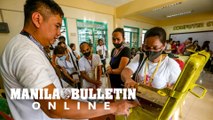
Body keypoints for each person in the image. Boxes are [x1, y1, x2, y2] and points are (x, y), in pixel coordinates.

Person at [0, 0, 137, 119]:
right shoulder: (25, 52)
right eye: (57, 26)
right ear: (37, 19)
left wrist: (78, 92)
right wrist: (112, 108)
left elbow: (53, 89)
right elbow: (54, 106)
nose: (59, 33)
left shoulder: (31, 47)